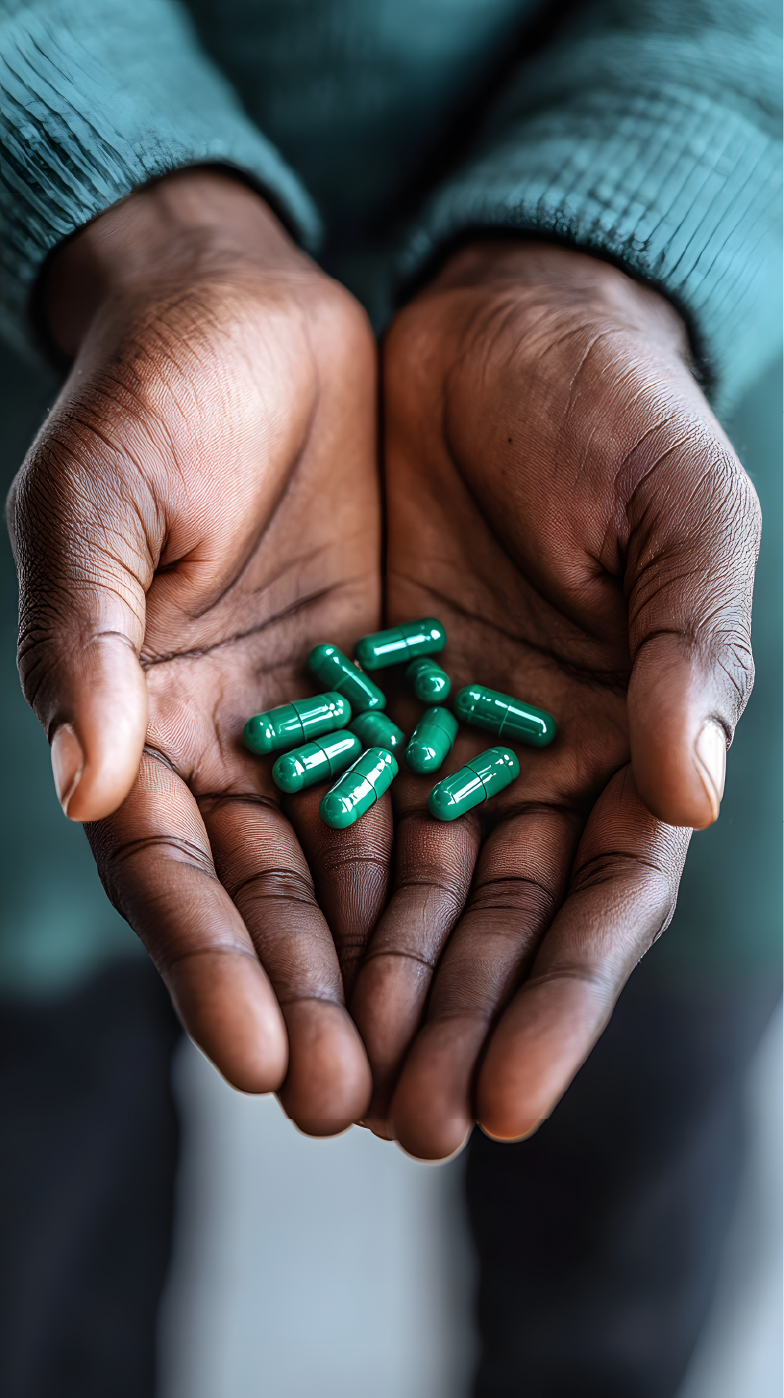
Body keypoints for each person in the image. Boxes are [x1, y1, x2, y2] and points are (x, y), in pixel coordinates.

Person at [1, 0, 783, 1393]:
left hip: (646, 513)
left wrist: (620, 247)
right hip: (94, 498)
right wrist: (136, 218)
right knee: (36, 1229)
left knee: (629, 1203)